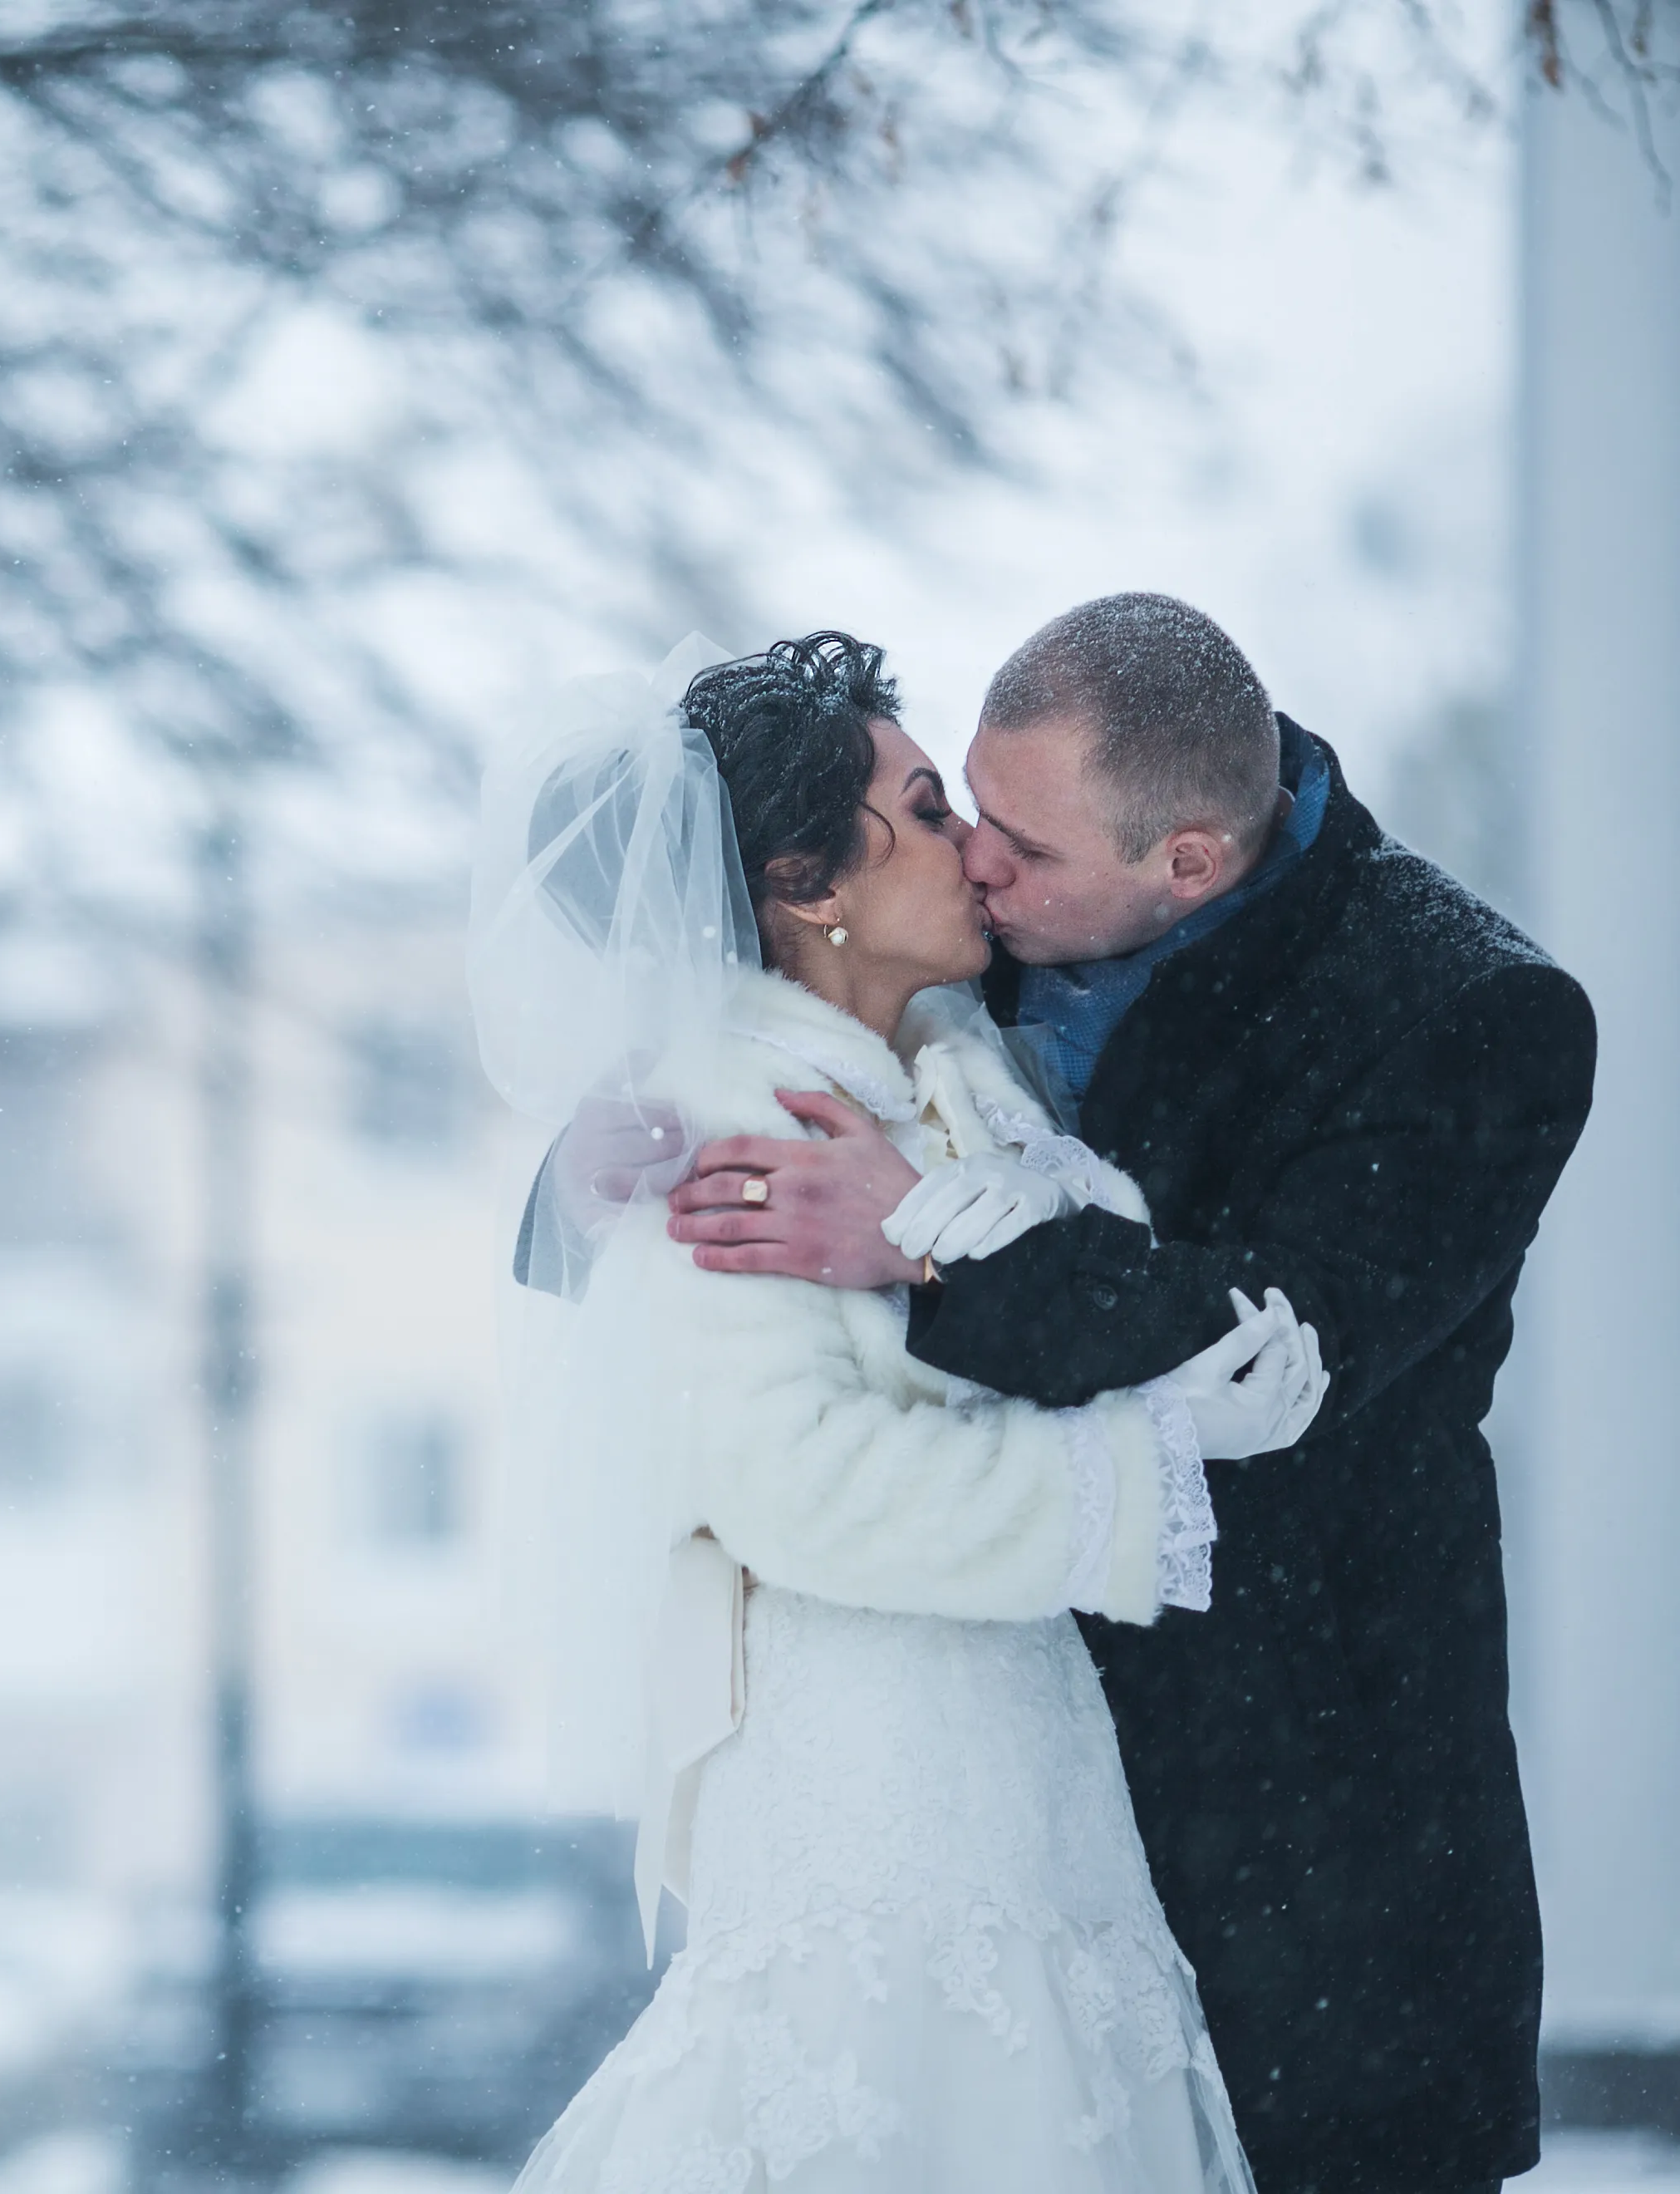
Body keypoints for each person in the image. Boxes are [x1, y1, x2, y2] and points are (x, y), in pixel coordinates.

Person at [658, 595, 1597, 2194]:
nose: (976, 866)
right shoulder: (972, 955)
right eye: (960, 808)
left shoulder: (1469, 1017)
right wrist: (612, 1148)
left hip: (1314, 1824)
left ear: (1187, 864)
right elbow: (748, 1016)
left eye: (1017, 847)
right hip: (983, 1789)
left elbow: (1287, 1335)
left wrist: (920, 1245)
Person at [474, 633, 1321, 2193]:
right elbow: (801, 1487)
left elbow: (1062, 1289)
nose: (976, 852)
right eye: (929, 809)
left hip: (1012, 1758)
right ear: (811, 885)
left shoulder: (947, 1078)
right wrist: (1143, 1464)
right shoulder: (740, 1124)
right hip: (874, 1778)